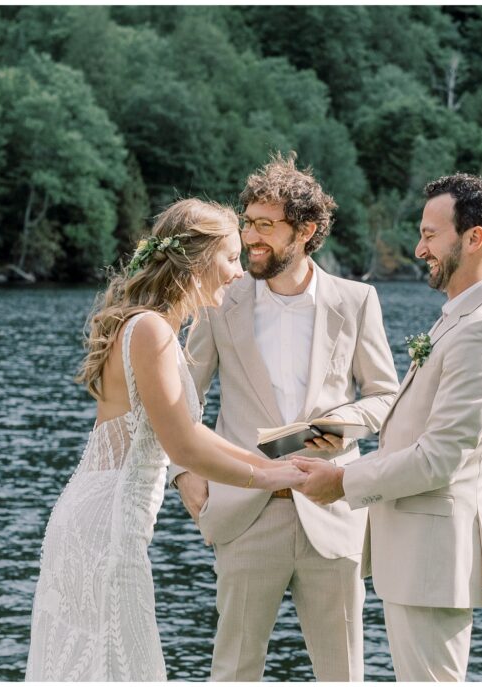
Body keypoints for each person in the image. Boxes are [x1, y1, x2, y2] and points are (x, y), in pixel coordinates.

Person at [25, 199, 307, 681]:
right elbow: (184, 448)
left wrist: (278, 464)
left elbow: (192, 433)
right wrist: (270, 477)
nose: (240, 272)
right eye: (231, 257)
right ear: (197, 261)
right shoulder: (151, 330)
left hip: (98, 518)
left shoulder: (148, 327)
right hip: (107, 527)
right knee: (122, 666)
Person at [169, 153, 398, 681]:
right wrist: (183, 474)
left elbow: (385, 397)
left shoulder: (357, 300)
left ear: (306, 230)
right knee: (233, 670)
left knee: (343, 674)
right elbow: (181, 395)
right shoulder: (218, 300)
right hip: (246, 511)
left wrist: (311, 437)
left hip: (332, 510)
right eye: (248, 223)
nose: (251, 237)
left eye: (266, 226)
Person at [295, 173, 482, 681]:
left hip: (434, 560)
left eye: (430, 233)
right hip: (418, 558)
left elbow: (441, 459)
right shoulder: (461, 319)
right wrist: (346, 440)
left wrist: (342, 482)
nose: (419, 248)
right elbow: (419, 432)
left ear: (474, 238)